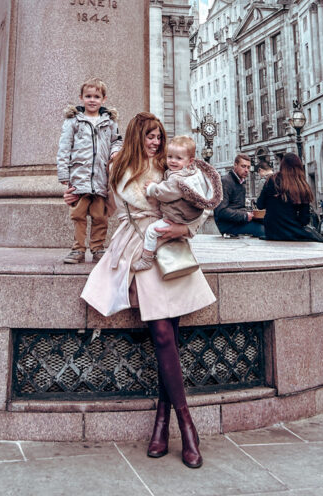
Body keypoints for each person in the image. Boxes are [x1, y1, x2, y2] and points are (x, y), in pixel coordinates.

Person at [81, 113, 214, 469]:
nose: (156, 143)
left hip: (172, 250)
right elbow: (105, 207)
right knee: (161, 332)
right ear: (137, 136)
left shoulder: (173, 166)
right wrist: (74, 197)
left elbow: (199, 204)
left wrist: (184, 231)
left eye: (159, 137)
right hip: (138, 248)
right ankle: (184, 426)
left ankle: (166, 422)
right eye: (150, 136)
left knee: (171, 333)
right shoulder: (118, 167)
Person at [133, 135, 222, 271]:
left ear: (190, 161)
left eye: (178, 158)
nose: (173, 161)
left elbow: (164, 192)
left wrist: (151, 188)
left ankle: (146, 259)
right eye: (170, 157)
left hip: (176, 216)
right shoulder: (191, 173)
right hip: (184, 216)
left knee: (151, 231)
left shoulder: (178, 179)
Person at [57, 78, 122, 264]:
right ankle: (77, 248)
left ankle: (98, 248)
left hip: (101, 178)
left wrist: (116, 151)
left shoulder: (109, 122)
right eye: (88, 96)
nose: (92, 100)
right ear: (81, 98)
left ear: (104, 99)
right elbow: (64, 148)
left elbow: (116, 141)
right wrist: (64, 174)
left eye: (96, 96)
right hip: (79, 177)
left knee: (100, 216)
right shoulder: (74, 121)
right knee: (78, 215)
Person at [255, 152, 315, 241]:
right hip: (293, 232)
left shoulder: (272, 180)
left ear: (282, 165)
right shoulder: (302, 185)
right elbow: (304, 220)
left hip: (272, 232)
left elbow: (260, 205)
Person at [214, 153, 265, 239]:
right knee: (263, 230)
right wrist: (245, 216)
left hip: (238, 222)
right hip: (228, 226)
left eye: (248, 167)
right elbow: (221, 211)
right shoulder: (225, 181)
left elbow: (238, 207)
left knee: (270, 224)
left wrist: (251, 213)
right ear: (235, 165)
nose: (246, 170)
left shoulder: (241, 182)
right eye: (243, 166)